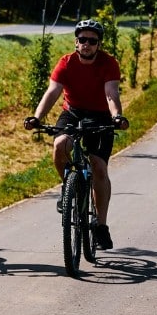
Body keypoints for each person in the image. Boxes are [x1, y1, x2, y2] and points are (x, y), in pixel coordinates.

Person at [24, 19, 129, 250]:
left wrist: (117, 117)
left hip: (100, 115)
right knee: (60, 145)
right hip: (72, 112)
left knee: (99, 168)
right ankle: (68, 187)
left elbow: (111, 94)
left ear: (99, 44)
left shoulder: (109, 63)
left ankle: (101, 226)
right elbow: (52, 92)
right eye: (83, 40)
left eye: (92, 41)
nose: (87, 44)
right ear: (76, 42)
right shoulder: (66, 63)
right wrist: (37, 118)